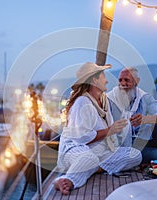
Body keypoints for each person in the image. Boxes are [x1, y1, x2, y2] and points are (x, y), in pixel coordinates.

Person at [54, 62, 142, 195]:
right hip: (75, 148)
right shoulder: (82, 102)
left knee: (135, 155)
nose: (106, 80)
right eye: (103, 76)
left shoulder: (103, 100)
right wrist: (109, 131)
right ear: (94, 80)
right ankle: (66, 180)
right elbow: (81, 138)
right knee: (89, 158)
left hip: (98, 151)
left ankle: (93, 168)